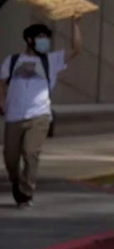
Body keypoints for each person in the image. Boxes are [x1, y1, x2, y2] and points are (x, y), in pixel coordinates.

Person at [3, 18, 83, 207]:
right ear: (29, 40)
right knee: (10, 157)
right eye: (40, 38)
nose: (44, 41)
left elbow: (77, 49)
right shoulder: (13, 60)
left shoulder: (51, 60)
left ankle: (26, 193)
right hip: (14, 116)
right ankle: (17, 181)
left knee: (31, 153)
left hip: (39, 115)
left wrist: (76, 24)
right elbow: (1, 82)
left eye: (47, 38)